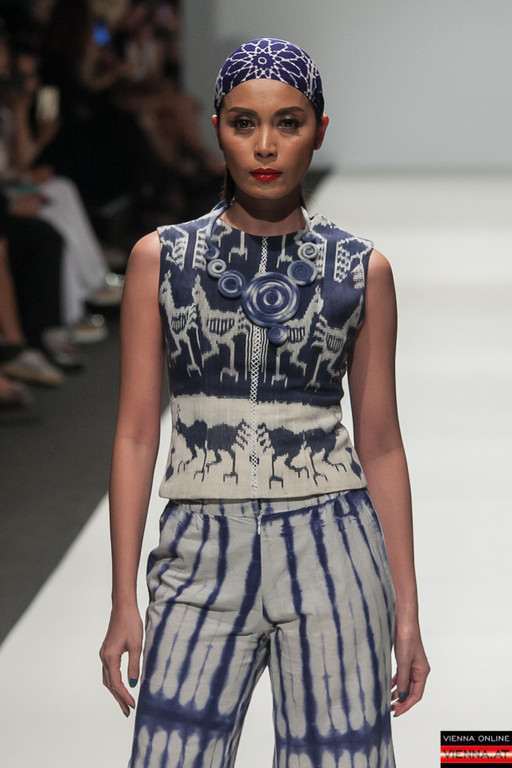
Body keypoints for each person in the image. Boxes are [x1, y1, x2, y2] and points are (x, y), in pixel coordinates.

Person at [100, 38, 430, 768]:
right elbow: (135, 434)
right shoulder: (161, 259)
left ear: (320, 129)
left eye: (289, 122)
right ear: (215, 127)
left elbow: (381, 443)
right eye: (244, 123)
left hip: (335, 553)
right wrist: (123, 598)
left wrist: (407, 609)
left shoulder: (360, 268)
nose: (266, 146)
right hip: (197, 552)